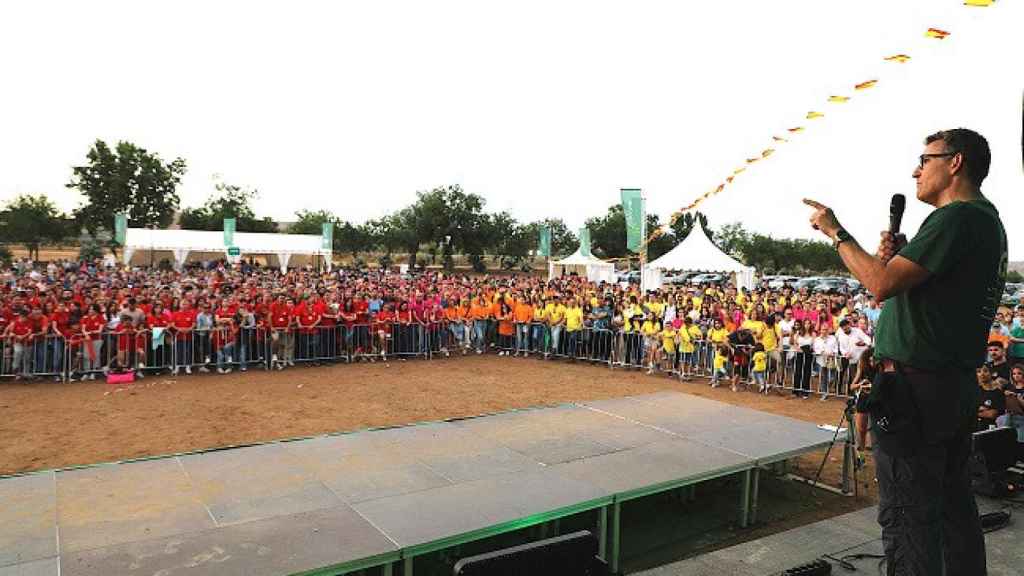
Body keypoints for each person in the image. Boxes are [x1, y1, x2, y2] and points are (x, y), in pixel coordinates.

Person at [805, 128, 1002, 575]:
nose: (916, 170)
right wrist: (903, 254)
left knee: (908, 518)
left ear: (955, 163)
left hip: (917, 393)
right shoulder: (983, 220)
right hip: (947, 387)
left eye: (924, 159)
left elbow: (880, 284)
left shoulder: (956, 218)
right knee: (953, 509)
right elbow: (911, 289)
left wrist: (835, 231)